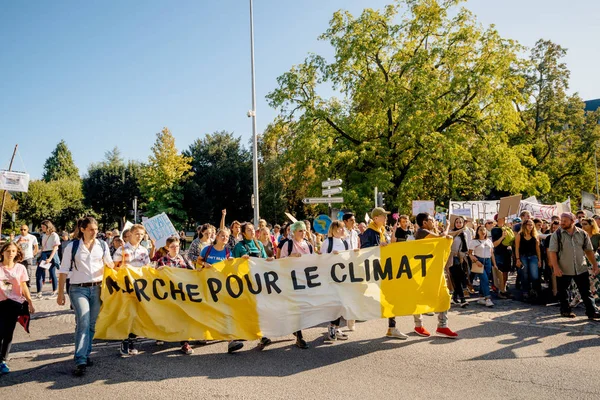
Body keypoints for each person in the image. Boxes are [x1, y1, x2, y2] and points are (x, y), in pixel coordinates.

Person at [57, 216, 113, 376]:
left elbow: (109, 264)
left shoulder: (102, 245)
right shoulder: (72, 246)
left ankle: (86, 353)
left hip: (97, 288)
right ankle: (80, 359)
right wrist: (60, 293)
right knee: (83, 321)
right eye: (91, 229)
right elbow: (63, 271)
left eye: (96, 229)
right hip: (77, 289)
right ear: (82, 229)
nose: (95, 232)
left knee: (92, 324)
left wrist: (113, 263)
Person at [197, 228, 246, 354]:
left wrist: (232, 263)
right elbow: (199, 260)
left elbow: (232, 269)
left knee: (225, 313)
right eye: (222, 236)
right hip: (207, 286)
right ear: (217, 236)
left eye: (227, 237)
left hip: (222, 287)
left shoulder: (228, 252)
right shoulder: (207, 249)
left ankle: (230, 341)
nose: (225, 238)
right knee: (208, 311)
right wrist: (204, 264)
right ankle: (204, 334)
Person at [412, 213, 459, 338]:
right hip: (423, 271)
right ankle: (418, 325)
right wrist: (448, 226)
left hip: (434, 269)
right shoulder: (421, 232)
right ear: (424, 222)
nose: (434, 222)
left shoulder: (427, 231)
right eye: (432, 220)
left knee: (444, 294)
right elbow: (441, 238)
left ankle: (442, 326)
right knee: (420, 298)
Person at [548, 213, 600, 319]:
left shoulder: (582, 234)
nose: (562, 222)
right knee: (563, 292)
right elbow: (552, 252)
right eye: (561, 220)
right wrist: (556, 267)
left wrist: (595, 264)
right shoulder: (557, 234)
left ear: (572, 221)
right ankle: (565, 311)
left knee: (586, 291)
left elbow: (589, 251)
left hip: (581, 267)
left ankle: (591, 312)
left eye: (565, 221)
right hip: (564, 268)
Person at [113, 224, 151, 357]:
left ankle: (132, 342)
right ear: (130, 234)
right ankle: (124, 342)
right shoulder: (121, 250)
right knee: (126, 314)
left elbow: (147, 267)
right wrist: (123, 268)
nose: (139, 237)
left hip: (140, 287)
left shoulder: (144, 251)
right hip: (125, 287)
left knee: (136, 315)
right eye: (137, 234)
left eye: (141, 234)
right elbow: (114, 268)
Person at [0, 241, 35, 375]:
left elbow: (24, 286)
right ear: (2, 252)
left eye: (13, 251)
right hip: (0, 302)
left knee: (8, 333)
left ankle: (3, 360)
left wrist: (30, 302)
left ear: (17, 253)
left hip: (14, 303)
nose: (10, 253)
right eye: (8, 251)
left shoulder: (20, 268)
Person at [155, 236, 194, 354]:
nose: (175, 249)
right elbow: (155, 277)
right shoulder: (162, 261)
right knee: (166, 315)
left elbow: (193, 272)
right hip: (167, 294)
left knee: (183, 317)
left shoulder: (184, 259)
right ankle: (161, 334)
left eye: (177, 246)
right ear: (167, 248)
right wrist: (159, 271)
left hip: (181, 294)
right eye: (172, 247)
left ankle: (185, 343)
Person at [279, 221, 313, 349]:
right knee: (296, 308)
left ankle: (296, 329)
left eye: (304, 230)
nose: (303, 233)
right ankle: (299, 336)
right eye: (300, 231)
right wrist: (290, 256)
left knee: (304, 308)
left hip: (305, 280)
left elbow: (313, 260)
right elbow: (280, 261)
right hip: (291, 280)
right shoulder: (288, 244)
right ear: (294, 232)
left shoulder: (308, 245)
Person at [321, 221, 353, 341]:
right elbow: (321, 258)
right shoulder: (327, 242)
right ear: (332, 230)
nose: (340, 230)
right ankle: (332, 327)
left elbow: (349, 257)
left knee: (341, 303)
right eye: (338, 228)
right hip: (330, 277)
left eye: (341, 228)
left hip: (342, 276)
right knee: (335, 303)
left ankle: (336, 326)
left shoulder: (345, 243)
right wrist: (330, 255)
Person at [469, 226, 496, 307]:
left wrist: (494, 264)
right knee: (485, 280)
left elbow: (492, 254)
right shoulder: (474, 242)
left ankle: (481, 297)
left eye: (484, 230)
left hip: (488, 261)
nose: (483, 231)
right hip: (479, 261)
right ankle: (488, 298)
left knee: (485, 280)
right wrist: (476, 261)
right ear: (477, 232)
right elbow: (470, 253)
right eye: (480, 230)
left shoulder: (489, 241)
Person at [515, 219, 542, 300]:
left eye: (531, 224)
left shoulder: (535, 235)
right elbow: (517, 248)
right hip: (523, 257)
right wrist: (517, 259)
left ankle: (534, 290)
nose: (530, 226)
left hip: (533, 256)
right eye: (528, 224)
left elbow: (538, 249)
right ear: (525, 225)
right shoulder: (520, 235)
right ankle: (525, 292)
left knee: (535, 275)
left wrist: (539, 259)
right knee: (525, 275)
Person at [36, 220, 61, 300]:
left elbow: (56, 247)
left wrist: (50, 258)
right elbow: (43, 247)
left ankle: (54, 291)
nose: (42, 228)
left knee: (52, 273)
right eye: (41, 227)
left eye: (43, 227)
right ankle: (39, 292)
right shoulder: (44, 235)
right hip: (44, 254)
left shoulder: (54, 235)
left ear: (48, 226)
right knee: (39, 273)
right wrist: (39, 256)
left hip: (51, 254)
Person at [491, 215, 513, 298]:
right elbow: (495, 244)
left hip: (507, 252)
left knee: (506, 272)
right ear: (497, 219)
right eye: (502, 217)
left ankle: (504, 289)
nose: (504, 219)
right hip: (499, 253)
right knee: (500, 273)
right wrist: (503, 237)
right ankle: (500, 291)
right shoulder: (495, 230)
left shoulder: (507, 228)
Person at [449, 216, 469, 307]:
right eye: (457, 222)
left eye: (460, 222)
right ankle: (462, 299)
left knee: (461, 278)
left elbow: (465, 247)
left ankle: (455, 296)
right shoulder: (451, 232)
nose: (458, 224)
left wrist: (463, 256)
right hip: (452, 258)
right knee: (457, 278)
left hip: (462, 258)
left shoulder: (464, 233)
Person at [13, 225, 39, 290]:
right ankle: (20, 289)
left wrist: (32, 255)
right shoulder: (17, 238)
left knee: (28, 274)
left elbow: (36, 247)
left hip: (28, 258)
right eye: (21, 229)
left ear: (27, 230)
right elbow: (13, 247)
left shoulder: (32, 237)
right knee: (19, 274)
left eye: (24, 229)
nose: (23, 231)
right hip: (19, 258)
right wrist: (18, 242)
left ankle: (28, 289)